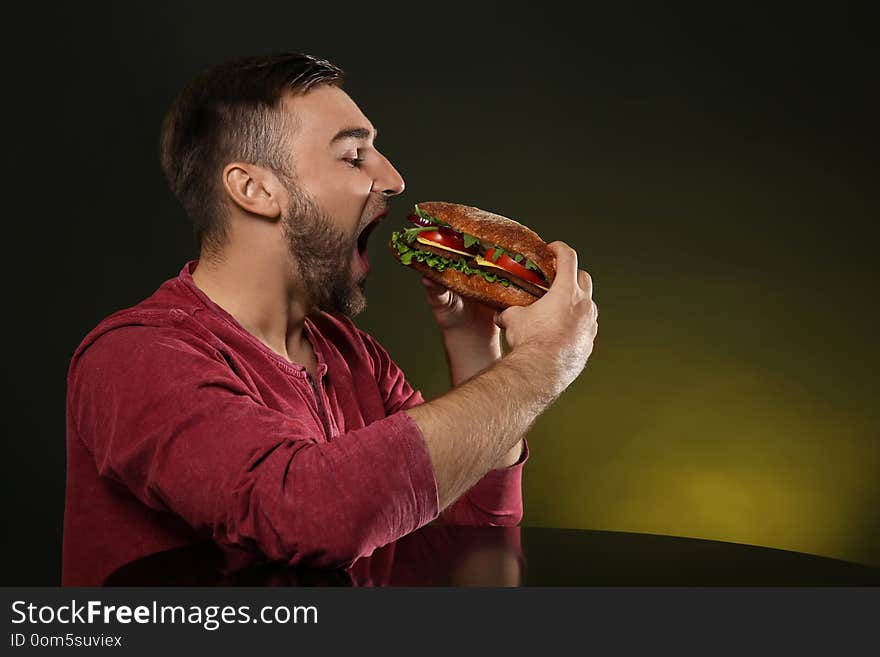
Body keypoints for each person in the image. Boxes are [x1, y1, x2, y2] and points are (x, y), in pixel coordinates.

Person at [62, 53, 598, 586]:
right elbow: (302, 514)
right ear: (255, 189)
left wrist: (475, 343)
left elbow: (472, 540)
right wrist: (544, 362)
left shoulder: (353, 355)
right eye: (353, 155)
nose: (393, 178)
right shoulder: (134, 356)